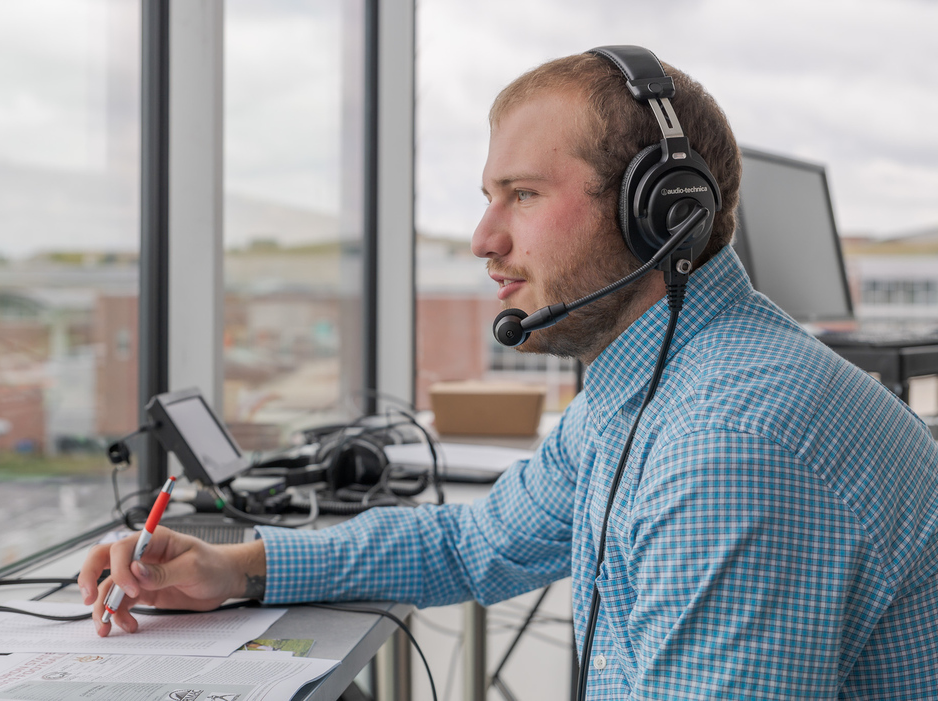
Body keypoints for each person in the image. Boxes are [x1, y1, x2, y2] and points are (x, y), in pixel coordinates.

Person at [79, 48, 938, 699]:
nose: (484, 238)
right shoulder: (651, 386)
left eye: (521, 195)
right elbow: (475, 543)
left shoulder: (727, 447)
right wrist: (236, 568)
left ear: (662, 214)